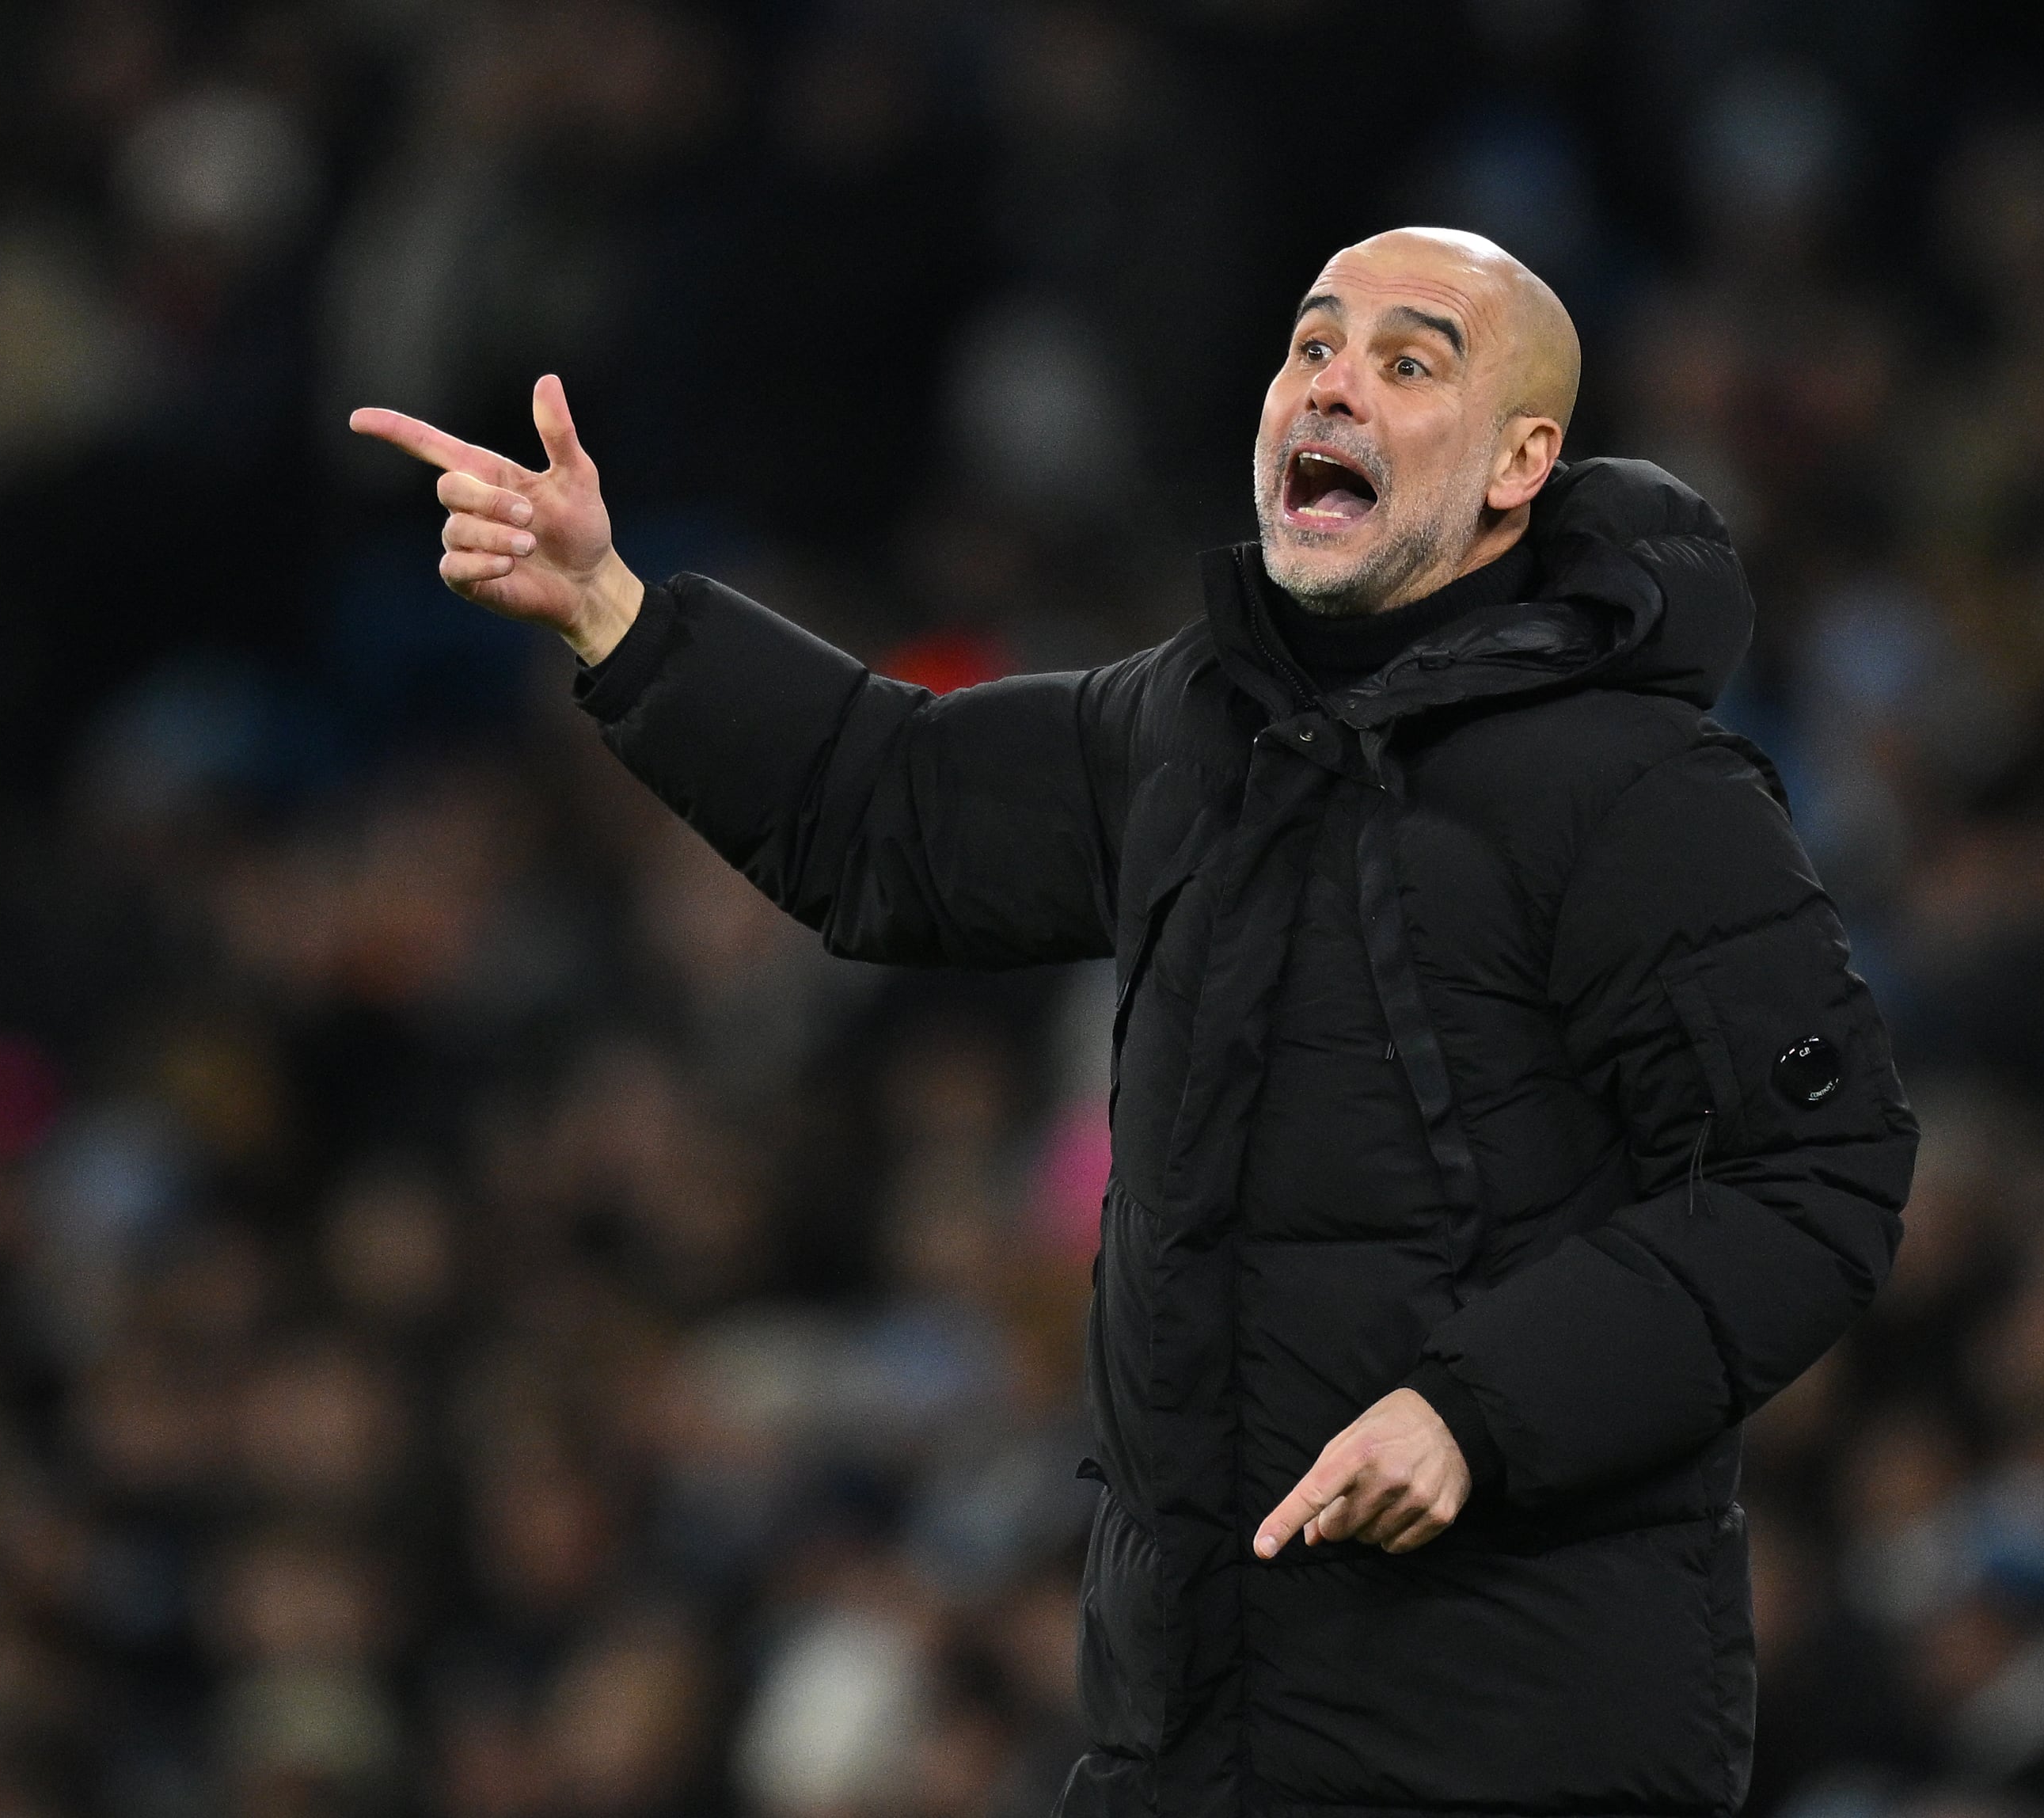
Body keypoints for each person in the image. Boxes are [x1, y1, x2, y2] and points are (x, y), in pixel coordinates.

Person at [354, 226, 1916, 1818]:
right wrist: (614, 612)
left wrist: (1478, 1404)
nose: (1333, 386)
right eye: (1311, 347)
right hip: (1196, 1734)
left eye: (1406, 360)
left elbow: (1816, 1172)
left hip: (1513, 1736)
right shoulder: (1188, 730)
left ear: (1521, 462)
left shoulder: (1637, 790)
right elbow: (885, 805)